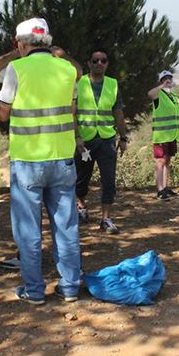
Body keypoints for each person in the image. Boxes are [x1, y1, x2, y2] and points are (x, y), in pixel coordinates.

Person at [0, 18, 83, 304]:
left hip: (28, 160)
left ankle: (34, 291)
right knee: (66, 228)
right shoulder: (68, 69)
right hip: (62, 158)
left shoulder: (16, 68)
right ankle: (70, 287)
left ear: (21, 44)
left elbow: (3, 114)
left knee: (28, 231)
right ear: (47, 41)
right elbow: (71, 108)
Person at [75, 49, 128, 233]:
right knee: (81, 179)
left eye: (103, 60)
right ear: (89, 63)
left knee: (109, 180)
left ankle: (106, 218)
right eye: (95, 60)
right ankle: (81, 205)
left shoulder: (112, 84)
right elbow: (72, 112)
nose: (99, 63)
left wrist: (123, 138)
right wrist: (76, 136)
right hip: (85, 140)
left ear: (107, 64)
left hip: (106, 139)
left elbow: (118, 113)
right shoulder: (78, 83)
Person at [147, 70, 179, 200]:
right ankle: (160, 190)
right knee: (160, 162)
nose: (168, 81)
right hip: (162, 135)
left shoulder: (173, 96)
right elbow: (150, 94)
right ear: (161, 81)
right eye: (165, 79)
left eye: (170, 78)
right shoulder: (159, 95)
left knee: (167, 161)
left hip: (172, 135)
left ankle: (165, 187)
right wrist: (162, 87)